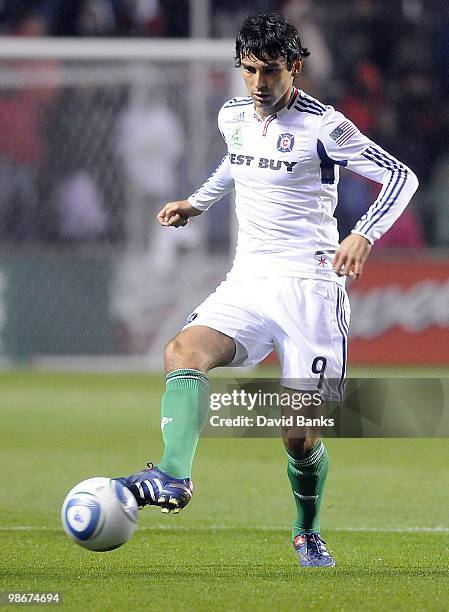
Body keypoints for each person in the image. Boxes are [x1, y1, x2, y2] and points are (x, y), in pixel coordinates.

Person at [117, 13, 419, 567]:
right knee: (182, 352)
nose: (259, 83)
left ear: (295, 68)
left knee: (298, 437)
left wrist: (363, 233)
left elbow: (401, 176)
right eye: (250, 70)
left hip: (311, 288)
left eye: (272, 72)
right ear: (239, 67)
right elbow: (237, 162)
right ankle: (174, 476)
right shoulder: (232, 113)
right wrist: (198, 202)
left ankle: (307, 531)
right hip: (249, 279)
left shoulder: (326, 126)